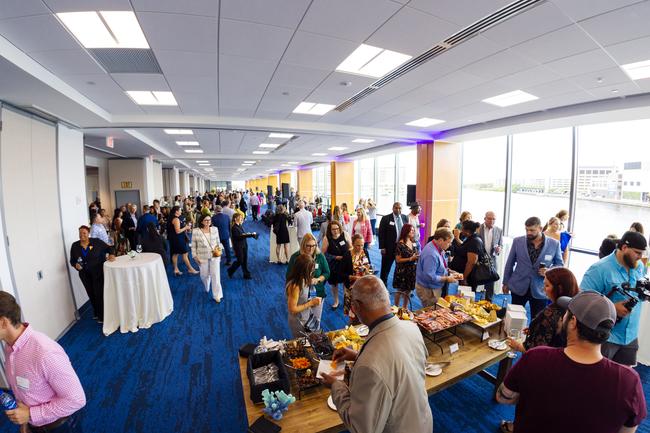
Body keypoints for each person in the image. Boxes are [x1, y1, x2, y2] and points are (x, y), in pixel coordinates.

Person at [496, 291, 647, 433]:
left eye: (566, 313)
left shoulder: (536, 357)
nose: (561, 318)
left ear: (573, 322)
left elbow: (502, 397)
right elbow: (628, 430)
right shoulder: (629, 381)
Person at [321, 275, 433, 433]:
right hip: (422, 421)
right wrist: (357, 355)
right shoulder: (412, 328)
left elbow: (362, 427)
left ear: (356, 306)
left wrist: (335, 386)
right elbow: (396, 363)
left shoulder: (369, 365)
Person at [0, 292, 86, 433]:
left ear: (3, 322)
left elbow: (76, 399)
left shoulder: (45, 353)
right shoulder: (9, 348)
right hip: (34, 426)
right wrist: (26, 423)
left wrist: (30, 414)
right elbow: (24, 391)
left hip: (59, 427)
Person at [581, 231, 647, 366]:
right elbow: (582, 301)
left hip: (630, 335)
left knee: (623, 377)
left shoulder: (639, 266)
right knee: (597, 376)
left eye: (642, 253)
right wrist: (612, 308)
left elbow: (639, 290)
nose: (640, 257)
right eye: (637, 252)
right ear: (624, 248)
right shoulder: (599, 269)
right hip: (606, 336)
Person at [503, 217, 564, 319]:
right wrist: (505, 282)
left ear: (540, 228)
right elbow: (510, 263)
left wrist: (549, 271)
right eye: (527, 230)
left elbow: (560, 265)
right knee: (514, 318)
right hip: (518, 286)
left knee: (537, 320)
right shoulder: (517, 241)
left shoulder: (554, 244)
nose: (528, 233)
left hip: (540, 289)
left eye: (532, 230)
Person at [69, 225, 115, 322]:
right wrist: (75, 265)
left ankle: (102, 316)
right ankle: (97, 313)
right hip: (84, 275)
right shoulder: (75, 246)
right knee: (91, 294)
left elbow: (110, 248)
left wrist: (111, 254)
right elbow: (72, 261)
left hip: (98, 273)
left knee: (98, 293)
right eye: (80, 233)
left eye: (84, 233)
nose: (82, 235)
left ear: (88, 233)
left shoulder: (96, 242)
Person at [286, 234, 330, 331]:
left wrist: (317, 279)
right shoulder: (295, 258)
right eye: (308, 246)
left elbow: (327, 273)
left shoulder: (319, 256)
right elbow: (289, 278)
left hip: (317, 294)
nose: (311, 248)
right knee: (302, 325)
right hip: (301, 298)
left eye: (314, 245)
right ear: (303, 245)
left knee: (315, 323)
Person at [416, 228, 461, 307]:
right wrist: (447, 279)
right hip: (428, 290)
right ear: (440, 240)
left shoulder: (436, 246)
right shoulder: (431, 254)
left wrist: (449, 271)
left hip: (432, 287)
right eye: (448, 242)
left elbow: (438, 266)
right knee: (430, 313)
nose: (450, 245)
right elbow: (430, 277)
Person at [285, 254, 322, 337]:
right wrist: (311, 303)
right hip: (298, 321)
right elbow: (292, 309)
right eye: (310, 269)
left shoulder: (305, 279)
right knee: (303, 344)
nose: (312, 271)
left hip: (307, 316)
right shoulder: (295, 286)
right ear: (303, 270)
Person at [191, 214, 223, 303]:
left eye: (209, 220)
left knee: (216, 275)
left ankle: (217, 295)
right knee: (204, 275)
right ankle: (207, 283)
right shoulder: (196, 231)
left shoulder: (215, 229)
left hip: (215, 256)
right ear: (201, 221)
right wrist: (194, 256)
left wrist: (219, 250)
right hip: (202, 257)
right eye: (206, 220)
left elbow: (218, 242)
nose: (208, 222)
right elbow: (193, 246)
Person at [322, 220, 351, 310]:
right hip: (333, 264)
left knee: (346, 283)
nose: (335, 231)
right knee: (334, 284)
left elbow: (351, 247)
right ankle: (336, 301)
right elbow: (323, 254)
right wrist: (335, 257)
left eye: (337, 228)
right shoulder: (327, 238)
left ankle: (347, 301)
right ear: (330, 230)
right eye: (333, 229)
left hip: (345, 263)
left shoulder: (345, 234)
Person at [378, 202, 409, 285]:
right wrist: (382, 247)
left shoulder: (405, 217)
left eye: (400, 208)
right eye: (396, 208)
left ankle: (402, 286)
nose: (398, 210)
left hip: (402, 248)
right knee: (385, 269)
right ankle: (383, 286)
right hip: (389, 248)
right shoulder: (386, 218)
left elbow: (407, 232)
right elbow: (381, 233)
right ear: (392, 208)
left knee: (401, 268)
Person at [450, 220, 483, 291]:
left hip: (468, 277)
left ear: (467, 231)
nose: (461, 231)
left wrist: (464, 278)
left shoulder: (475, 241)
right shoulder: (470, 239)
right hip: (460, 273)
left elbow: (471, 263)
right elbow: (463, 248)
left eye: (462, 229)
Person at [478, 211, 503, 301]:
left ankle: (488, 302)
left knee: (490, 283)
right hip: (478, 260)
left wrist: (499, 249)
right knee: (475, 280)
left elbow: (500, 245)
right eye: (489, 218)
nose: (492, 220)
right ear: (484, 218)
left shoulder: (499, 230)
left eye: (494, 219)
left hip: (491, 260)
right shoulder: (478, 228)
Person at [392, 224, 419, 308]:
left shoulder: (413, 242)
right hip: (402, 270)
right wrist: (410, 258)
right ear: (406, 231)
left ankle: (405, 308)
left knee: (408, 290)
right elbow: (398, 260)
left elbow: (415, 253)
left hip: (411, 269)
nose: (413, 232)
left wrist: (416, 256)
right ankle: (395, 307)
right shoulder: (400, 244)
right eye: (411, 230)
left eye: (413, 230)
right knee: (400, 290)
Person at [167, 206, 198, 276]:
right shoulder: (176, 219)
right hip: (178, 239)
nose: (181, 211)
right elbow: (178, 231)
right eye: (180, 210)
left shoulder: (172, 218)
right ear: (176, 211)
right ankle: (190, 269)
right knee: (185, 253)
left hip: (174, 239)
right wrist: (186, 227)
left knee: (175, 254)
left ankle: (176, 269)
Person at [347, 234, 372, 320]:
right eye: (358, 245)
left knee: (364, 312)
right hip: (352, 288)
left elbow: (369, 266)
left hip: (364, 287)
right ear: (353, 244)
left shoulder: (365, 252)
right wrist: (354, 278)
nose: (360, 247)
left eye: (362, 245)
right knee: (353, 315)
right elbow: (341, 274)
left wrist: (370, 274)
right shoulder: (347, 255)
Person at [227, 212, 257, 280]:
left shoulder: (239, 225)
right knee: (240, 260)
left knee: (245, 260)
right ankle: (230, 270)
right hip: (238, 246)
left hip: (244, 245)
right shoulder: (234, 227)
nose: (242, 219)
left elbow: (242, 234)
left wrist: (248, 234)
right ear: (235, 219)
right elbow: (239, 237)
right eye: (240, 218)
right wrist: (250, 235)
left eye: (241, 218)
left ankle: (246, 274)